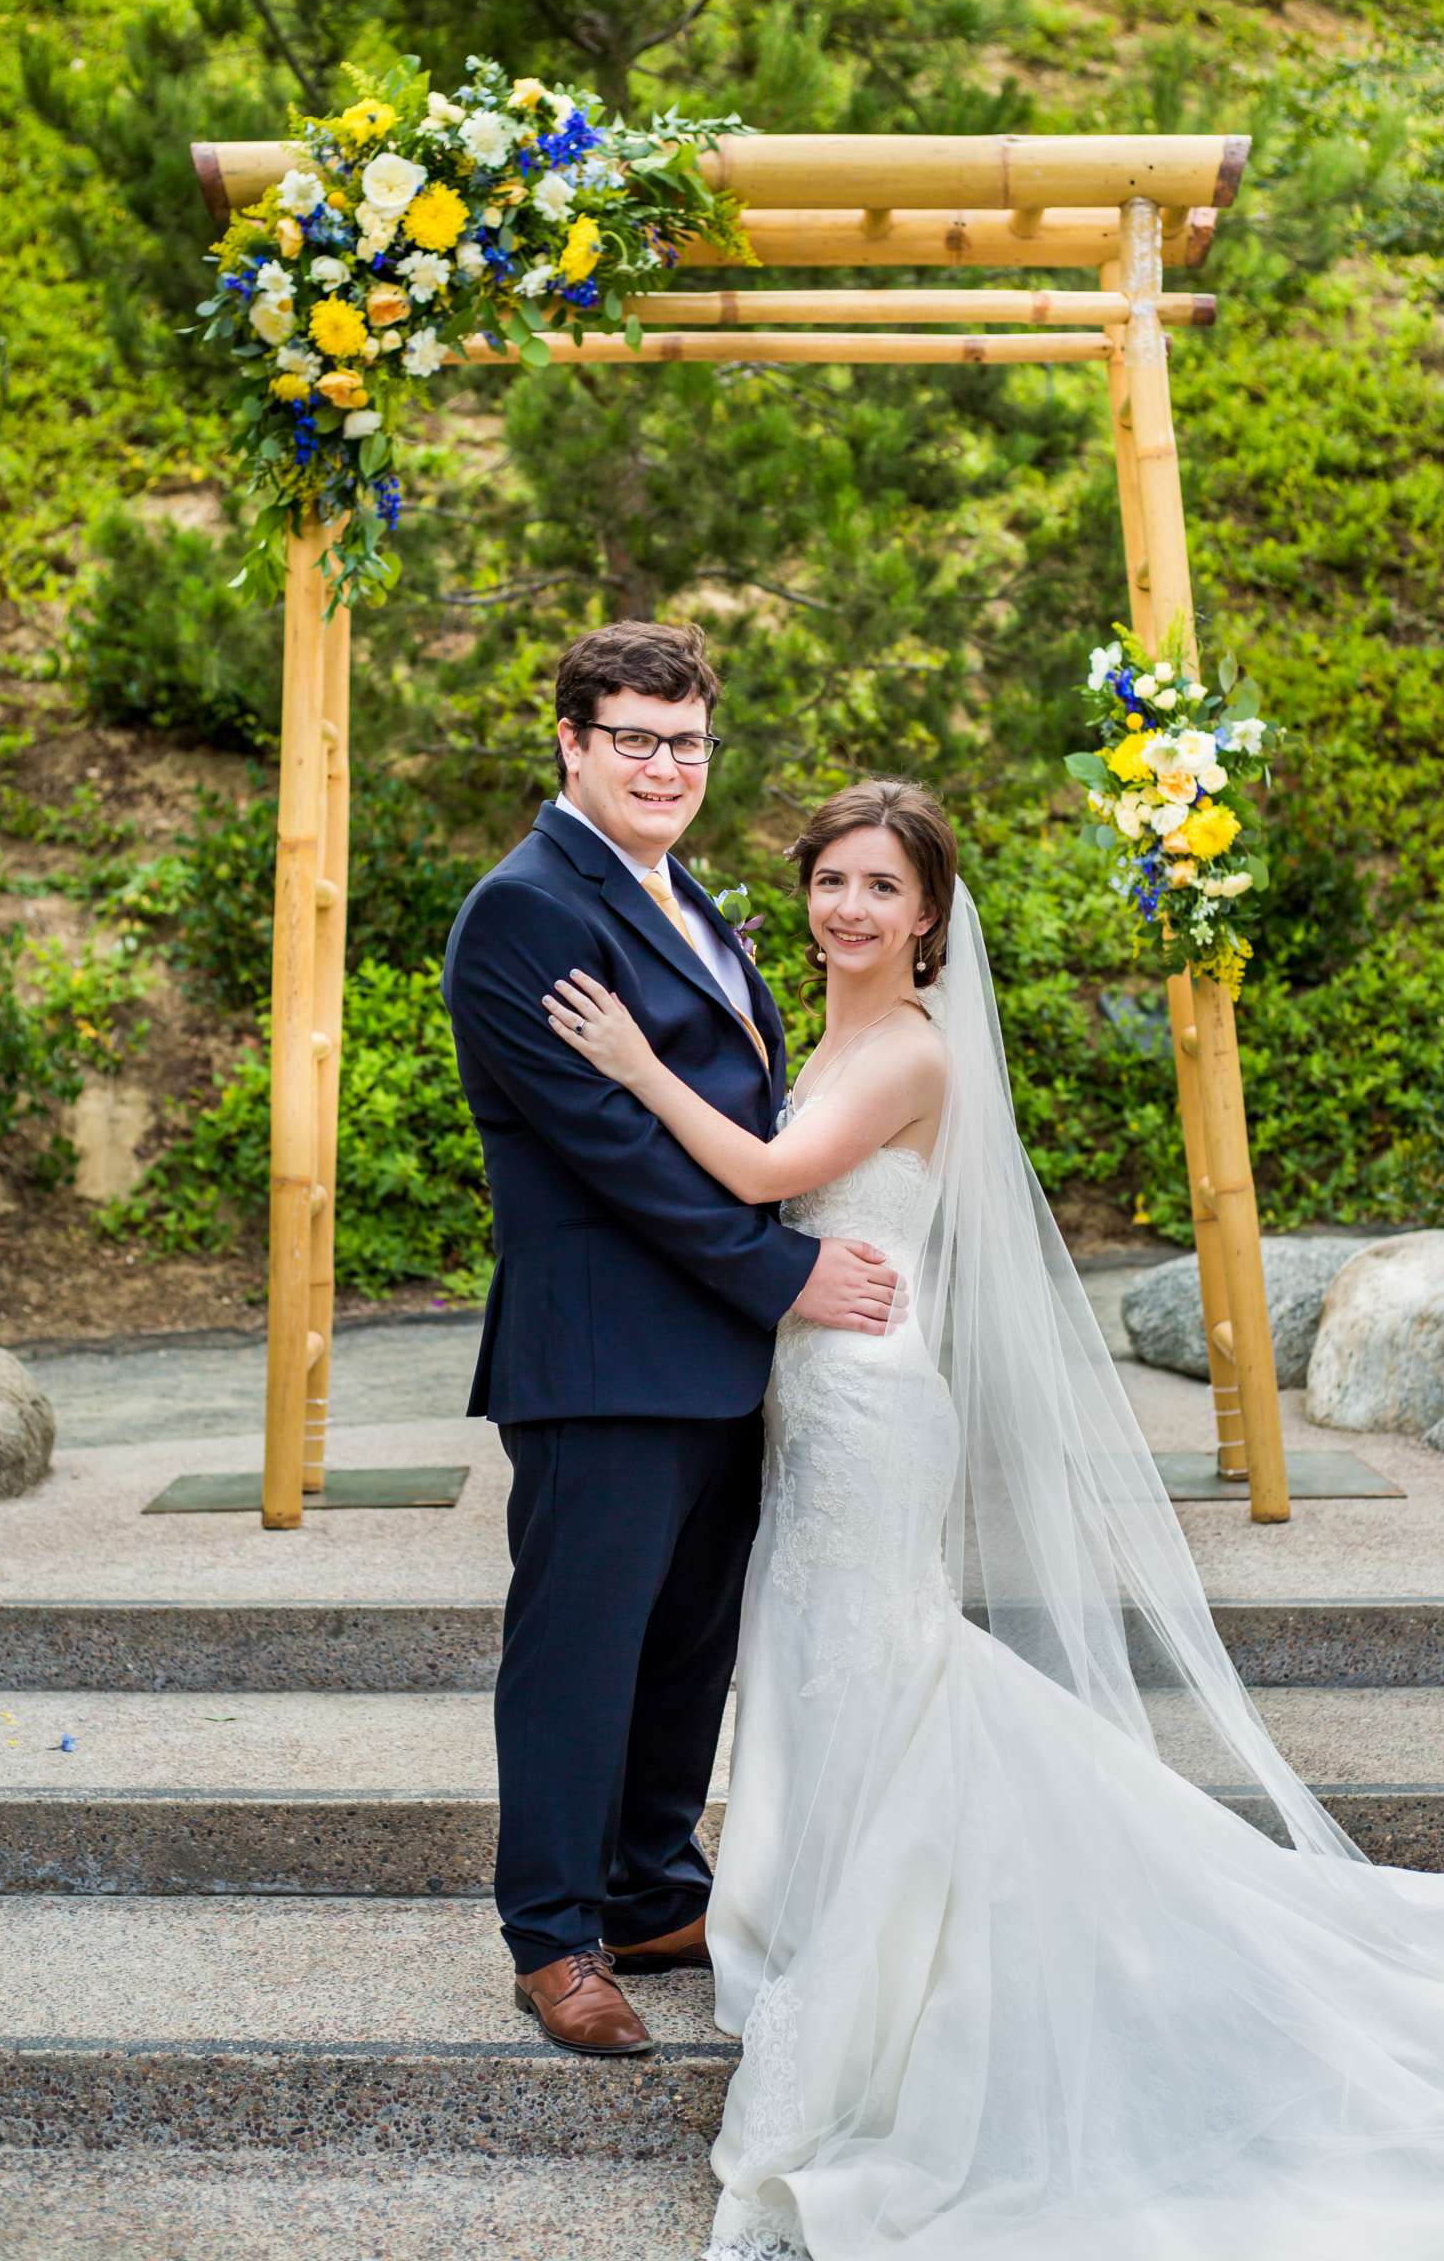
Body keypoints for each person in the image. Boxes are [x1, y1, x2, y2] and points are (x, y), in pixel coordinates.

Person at [546, 775, 1444, 2261]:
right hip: (816, 1398)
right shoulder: (837, 1032)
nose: (850, 907)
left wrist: (628, 1057)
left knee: (876, 1655)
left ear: (931, 914)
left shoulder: (908, 1054)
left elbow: (755, 1174)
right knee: (831, 1660)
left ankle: (918, 1944)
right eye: (832, 881)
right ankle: (833, 1909)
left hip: (870, 1404)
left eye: (883, 887)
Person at [441, 622, 902, 2061]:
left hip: (712, 1354)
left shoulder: (674, 888)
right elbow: (610, 1153)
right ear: (570, 742)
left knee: (688, 1644)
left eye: (685, 739)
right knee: (580, 1647)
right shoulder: (527, 912)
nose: (663, 764)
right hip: (602, 1350)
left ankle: (650, 1886)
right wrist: (786, 1274)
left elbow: (734, 1109)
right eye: (633, 737)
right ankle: (555, 1932)